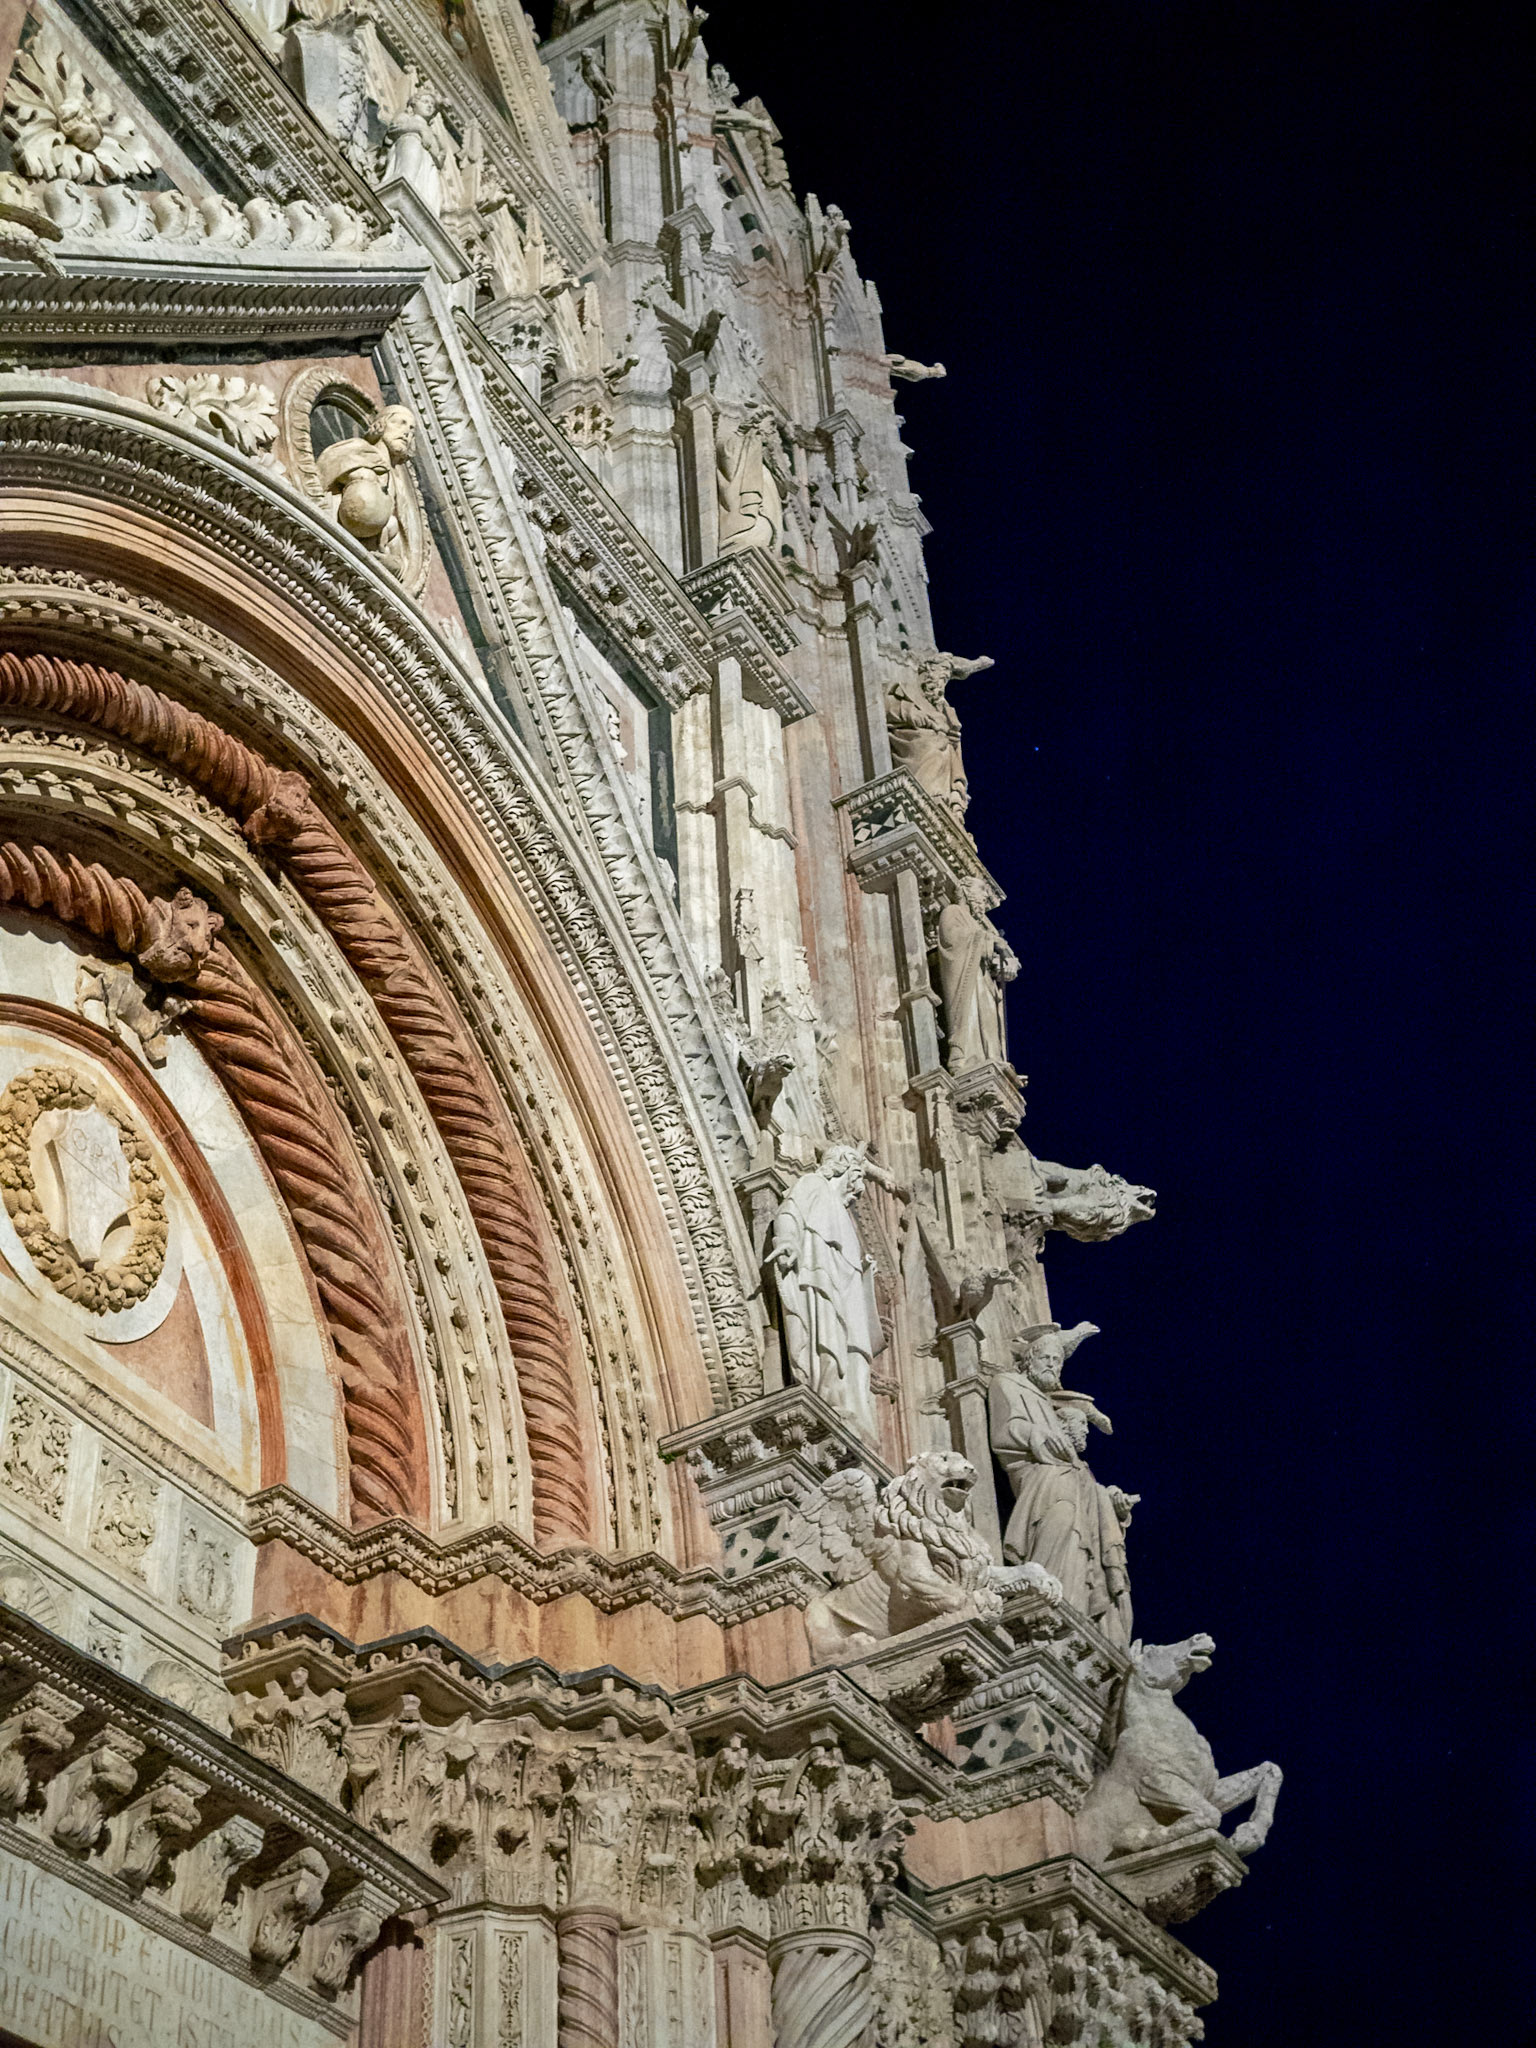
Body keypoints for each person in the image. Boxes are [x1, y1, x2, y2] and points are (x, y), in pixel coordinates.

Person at [988, 1324, 1134, 1643]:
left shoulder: (1049, 1401)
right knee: (1063, 1516)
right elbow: (1005, 1429)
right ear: (1028, 1359)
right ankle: (1041, 1599)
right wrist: (1036, 1434)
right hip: (1038, 1476)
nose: (1053, 1365)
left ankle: (1071, 1607)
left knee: (1082, 1533)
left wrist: (1110, 1502)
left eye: (1058, 1360)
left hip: (1069, 1478)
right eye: (1047, 1358)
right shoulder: (1006, 1383)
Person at [767, 1146, 881, 1434]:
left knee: (856, 1348)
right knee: (827, 1337)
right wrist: (789, 1241)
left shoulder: (843, 1215)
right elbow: (790, 1212)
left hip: (844, 1286)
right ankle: (827, 1397)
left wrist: (865, 1273)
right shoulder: (813, 1184)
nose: (857, 1194)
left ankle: (853, 1410)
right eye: (857, 1184)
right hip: (820, 1275)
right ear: (846, 1170)